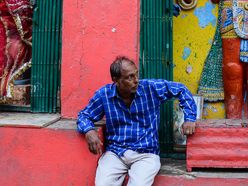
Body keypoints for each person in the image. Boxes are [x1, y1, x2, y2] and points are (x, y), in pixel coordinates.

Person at [77, 56, 197, 186]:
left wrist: (189, 118)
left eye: (136, 74)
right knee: (103, 184)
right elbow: (84, 116)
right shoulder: (104, 94)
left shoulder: (150, 88)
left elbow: (181, 89)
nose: (136, 80)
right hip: (116, 153)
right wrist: (89, 130)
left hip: (146, 154)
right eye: (129, 77)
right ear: (116, 81)